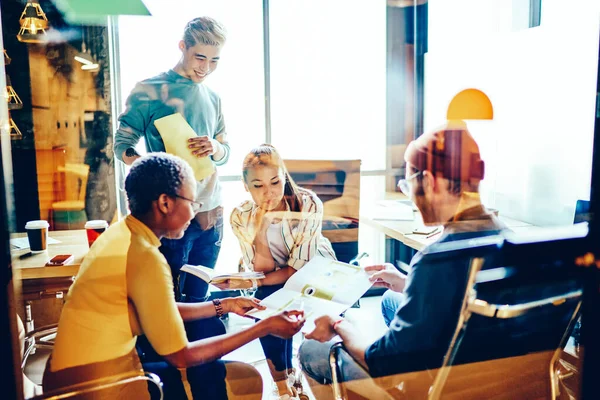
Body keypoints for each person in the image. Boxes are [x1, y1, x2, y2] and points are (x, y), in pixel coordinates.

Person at [43, 153, 305, 400]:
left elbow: (156, 309)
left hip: (66, 377)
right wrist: (264, 327)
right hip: (101, 387)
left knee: (211, 336)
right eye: (192, 203)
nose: (194, 214)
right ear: (165, 203)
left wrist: (224, 305)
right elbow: (182, 356)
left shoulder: (120, 233)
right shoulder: (145, 257)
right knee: (246, 380)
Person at [298, 122, 506, 396]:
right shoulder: (509, 239)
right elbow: (465, 295)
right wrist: (410, 283)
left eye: (408, 185)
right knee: (391, 300)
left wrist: (338, 323)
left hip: (449, 389)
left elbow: (386, 366)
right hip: (502, 381)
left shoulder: (437, 258)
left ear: (429, 181)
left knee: (312, 350)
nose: (410, 197)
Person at [114, 16, 229, 303]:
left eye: (215, 60)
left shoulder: (213, 97)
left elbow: (226, 151)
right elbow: (122, 145)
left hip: (211, 212)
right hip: (171, 212)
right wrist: (152, 171)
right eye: (199, 57)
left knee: (199, 298)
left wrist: (215, 146)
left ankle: (199, 347)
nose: (206, 67)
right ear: (182, 47)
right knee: (167, 301)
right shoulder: (149, 90)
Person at [216, 144, 336, 398]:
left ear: (284, 176)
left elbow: (296, 269)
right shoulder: (241, 215)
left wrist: (252, 283)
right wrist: (262, 224)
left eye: (275, 182)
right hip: (272, 275)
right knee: (267, 299)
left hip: (313, 268)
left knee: (270, 292)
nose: (268, 192)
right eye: (258, 186)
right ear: (245, 186)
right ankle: (282, 381)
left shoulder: (308, 204)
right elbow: (262, 269)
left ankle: (296, 373)